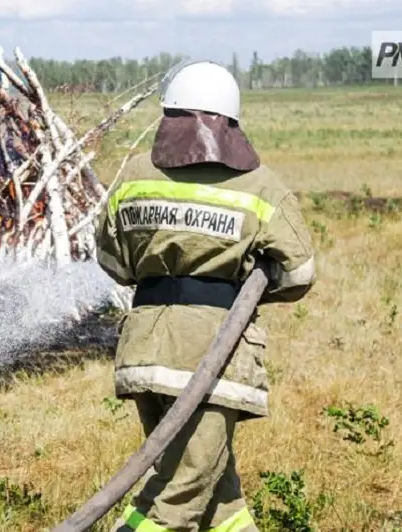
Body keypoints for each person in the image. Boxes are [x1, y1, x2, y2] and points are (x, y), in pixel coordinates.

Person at [95, 60, 317, 532]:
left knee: (219, 494)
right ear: (231, 123)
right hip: (210, 351)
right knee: (181, 492)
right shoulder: (260, 185)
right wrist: (246, 288)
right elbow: (300, 272)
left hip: (146, 348)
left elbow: (112, 261)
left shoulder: (133, 176)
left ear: (169, 115)